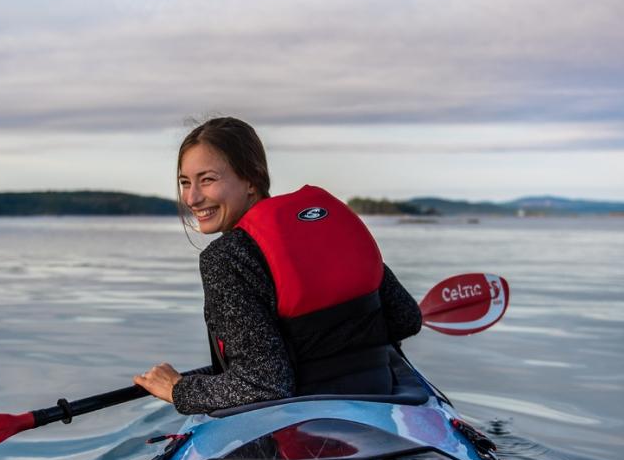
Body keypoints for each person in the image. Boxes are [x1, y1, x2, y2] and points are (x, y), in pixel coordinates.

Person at [133, 117, 422, 414]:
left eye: (207, 179)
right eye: (185, 182)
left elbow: (265, 385)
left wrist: (179, 389)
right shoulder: (329, 222)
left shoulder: (226, 257)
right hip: (385, 400)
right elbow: (406, 318)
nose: (192, 198)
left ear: (251, 179)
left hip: (307, 421)